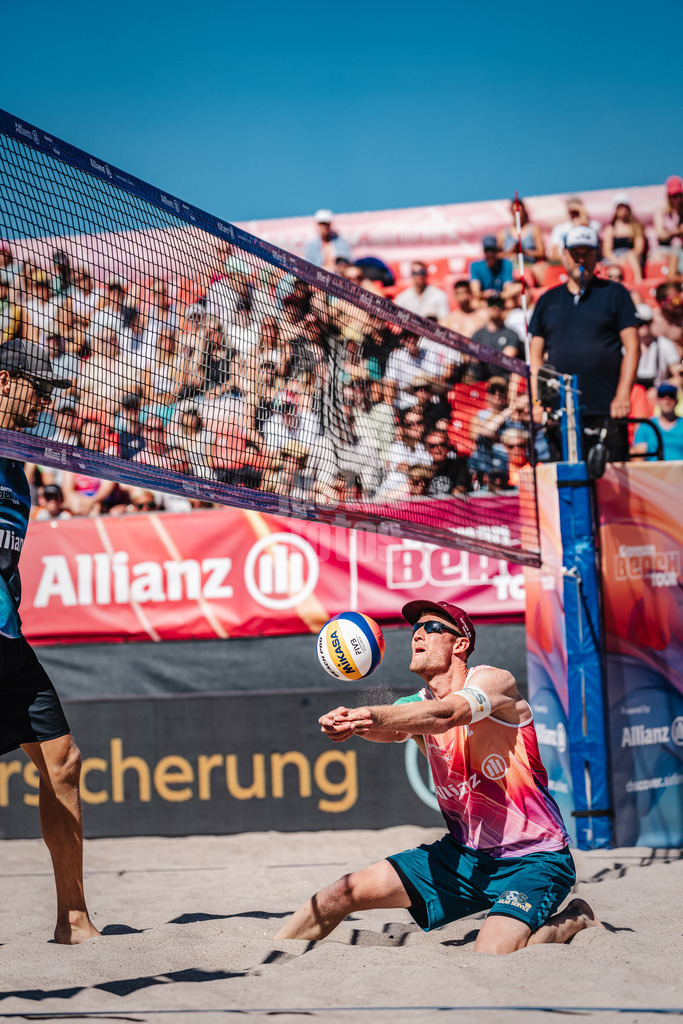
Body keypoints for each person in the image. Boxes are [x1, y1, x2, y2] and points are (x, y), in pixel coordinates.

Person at [275, 600, 602, 953]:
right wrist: (352, 724)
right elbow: (393, 728)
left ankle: (576, 917)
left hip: (536, 857)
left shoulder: (495, 682)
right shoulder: (417, 705)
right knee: (342, 892)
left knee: (492, 953)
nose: (418, 634)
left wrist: (370, 714)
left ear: (459, 643)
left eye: (431, 628)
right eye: (415, 629)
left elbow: (447, 715)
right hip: (464, 856)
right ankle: (266, 956)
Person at [0, 339, 99, 943]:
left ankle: (72, 918)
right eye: (34, 387)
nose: (40, 402)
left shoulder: (19, 472)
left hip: (9, 642)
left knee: (63, 762)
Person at [529, 225, 639, 461]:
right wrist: (538, 402)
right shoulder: (547, 300)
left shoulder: (616, 293)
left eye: (586, 253)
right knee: (570, 485)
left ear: (596, 256)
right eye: (575, 252)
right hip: (562, 413)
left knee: (611, 486)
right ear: (564, 255)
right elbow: (535, 356)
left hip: (607, 410)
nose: (581, 259)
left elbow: (632, 348)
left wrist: (622, 396)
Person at [632, 381, 683, 461]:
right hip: (653, 472)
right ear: (657, 400)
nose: (667, 399)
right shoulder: (647, 426)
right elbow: (637, 459)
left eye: (671, 395)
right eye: (662, 395)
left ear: (677, 400)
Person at [602, 193, 645, 283]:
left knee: (632, 256)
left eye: (623, 207)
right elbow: (607, 251)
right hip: (614, 257)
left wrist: (626, 257)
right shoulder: (610, 228)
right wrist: (617, 260)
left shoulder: (636, 226)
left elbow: (639, 248)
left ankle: (638, 280)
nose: (621, 210)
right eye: (619, 207)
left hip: (632, 256)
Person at [548, 197, 602, 262]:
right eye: (571, 210)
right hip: (564, 263)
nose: (573, 213)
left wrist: (582, 218)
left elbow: (595, 248)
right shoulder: (559, 229)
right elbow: (555, 254)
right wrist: (570, 262)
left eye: (576, 210)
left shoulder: (593, 225)